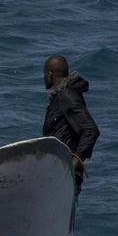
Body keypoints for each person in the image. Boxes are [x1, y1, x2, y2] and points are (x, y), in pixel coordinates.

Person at [42, 55, 100, 194]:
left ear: (50, 74)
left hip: (65, 173)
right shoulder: (61, 95)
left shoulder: (66, 96)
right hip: (57, 169)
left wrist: (74, 162)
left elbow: (91, 130)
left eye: (44, 74)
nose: (43, 78)